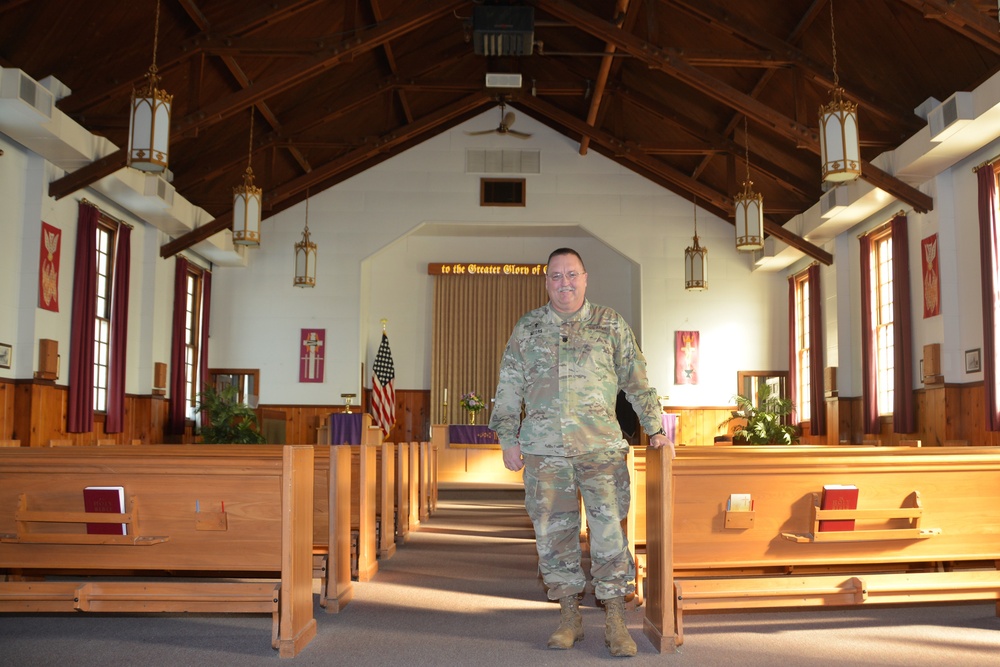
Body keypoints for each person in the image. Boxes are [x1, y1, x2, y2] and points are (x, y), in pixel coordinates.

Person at [489, 248, 675, 657]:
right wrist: (507, 436)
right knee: (554, 536)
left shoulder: (610, 324)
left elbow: (638, 380)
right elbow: (508, 386)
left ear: (585, 278)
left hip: (600, 450)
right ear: (546, 282)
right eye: (555, 276)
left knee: (610, 536)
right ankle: (569, 617)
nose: (564, 283)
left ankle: (615, 622)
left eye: (571, 275)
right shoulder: (528, 328)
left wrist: (656, 428)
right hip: (544, 452)